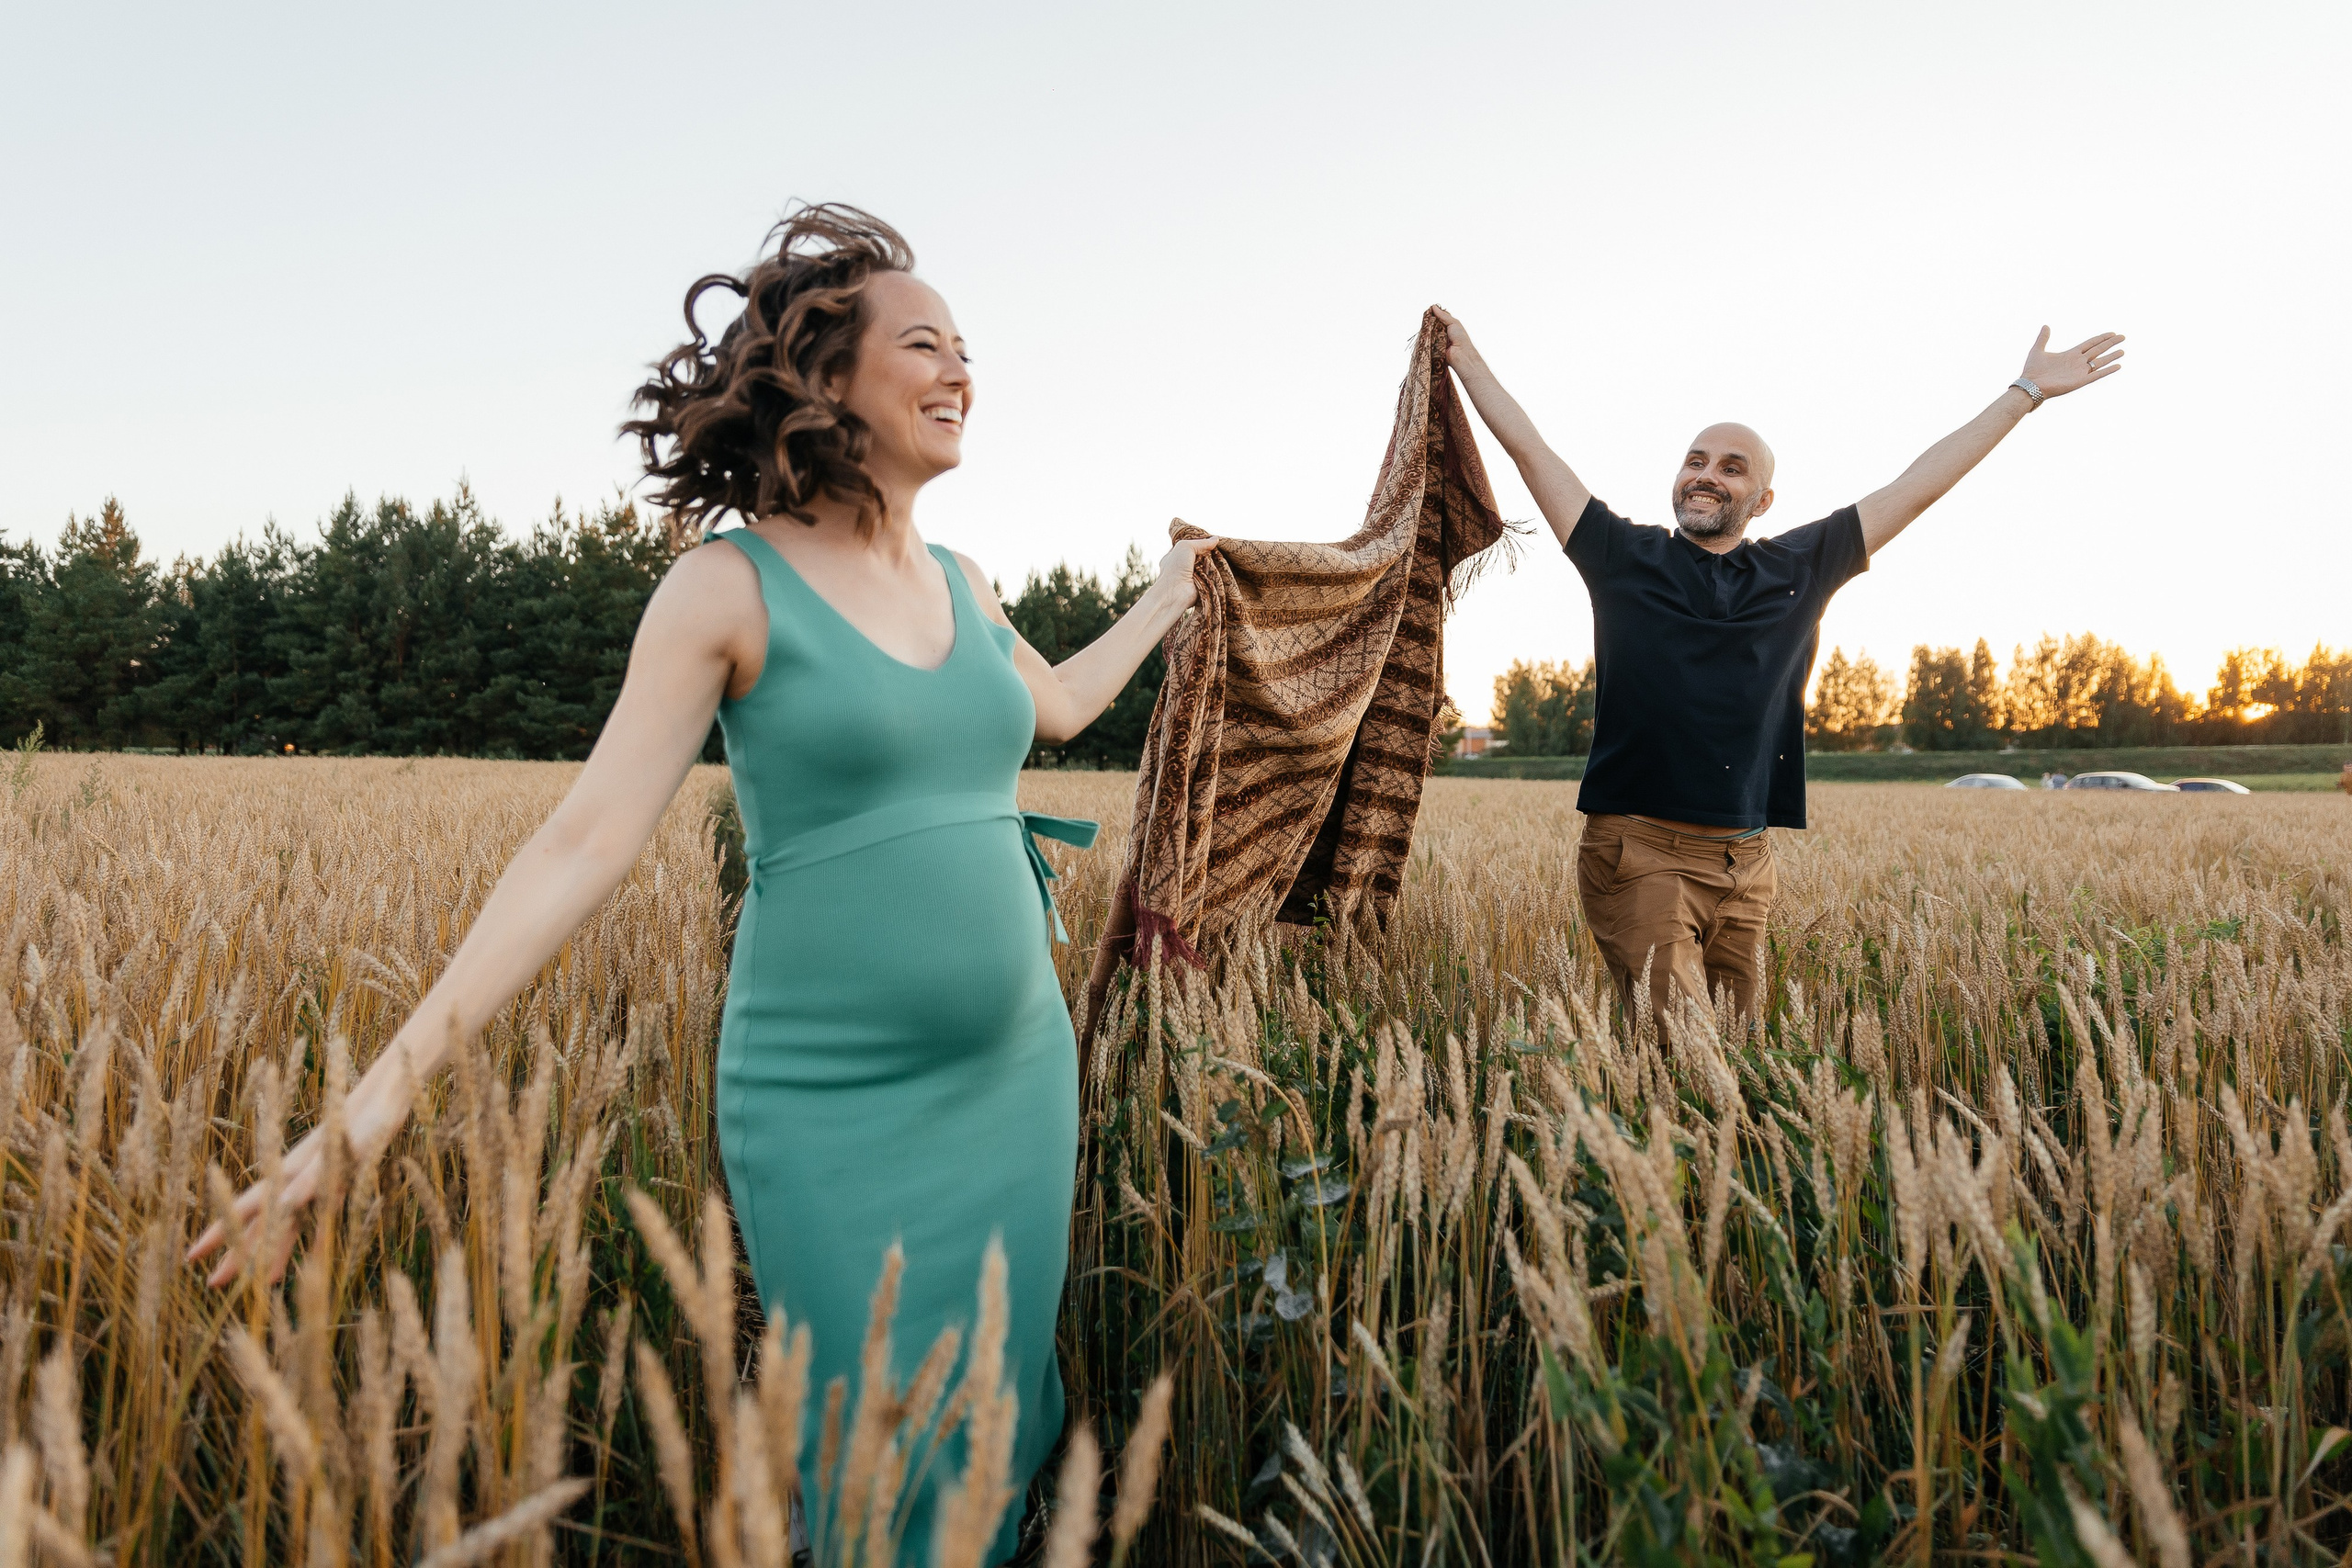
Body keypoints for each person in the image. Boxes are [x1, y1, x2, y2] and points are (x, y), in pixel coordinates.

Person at [190, 203, 1215, 1563]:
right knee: (871, 1444)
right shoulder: (724, 592)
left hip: (1017, 1080)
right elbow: (580, 845)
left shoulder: (968, 582)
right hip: (832, 1097)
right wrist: (362, 1117)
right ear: (825, 377)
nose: (963, 368)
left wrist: (1163, 595)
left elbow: (1065, 711)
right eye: (925, 343)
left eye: (969, 346)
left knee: (995, 1415)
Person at [1434, 308, 2122, 1031]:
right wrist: (1467, 359)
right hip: (1640, 853)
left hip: (1747, 861)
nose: (1706, 475)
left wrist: (2026, 392)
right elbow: (1530, 450)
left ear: (1762, 501)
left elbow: (1919, 484)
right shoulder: (1621, 556)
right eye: (1696, 460)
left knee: (1735, 1054)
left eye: (1731, 468)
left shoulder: (1801, 566)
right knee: (1687, 1059)